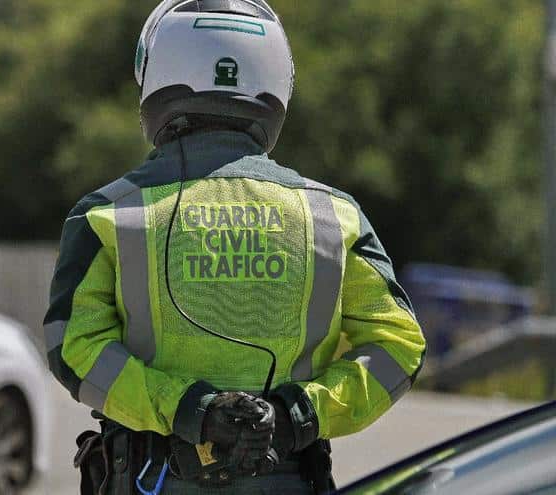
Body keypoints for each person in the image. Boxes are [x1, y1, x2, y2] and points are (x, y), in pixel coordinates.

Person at [43, 1, 426, 493]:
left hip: (149, 480)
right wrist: (295, 417)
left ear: (156, 80)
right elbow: (399, 349)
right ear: (276, 87)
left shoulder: (107, 214)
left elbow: (73, 350)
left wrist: (193, 412)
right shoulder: (334, 216)